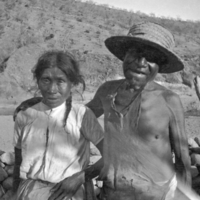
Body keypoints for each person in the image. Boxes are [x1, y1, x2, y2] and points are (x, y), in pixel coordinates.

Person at [14, 22, 194, 200]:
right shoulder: (108, 91)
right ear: (124, 56)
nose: (141, 62)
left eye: (151, 58)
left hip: (156, 193)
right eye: (135, 54)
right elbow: (74, 115)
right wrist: (41, 102)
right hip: (114, 192)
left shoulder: (169, 101)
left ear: (160, 66)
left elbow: (183, 161)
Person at [12, 50, 104, 200]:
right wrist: (14, 192)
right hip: (29, 192)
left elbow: (110, 156)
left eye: (60, 81)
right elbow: (18, 160)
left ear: (72, 83)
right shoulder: (25, 115)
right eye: (46, 80)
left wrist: (79, 178)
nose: (52, 89)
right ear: (37, 80)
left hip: (68, 193)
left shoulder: (82, 114)